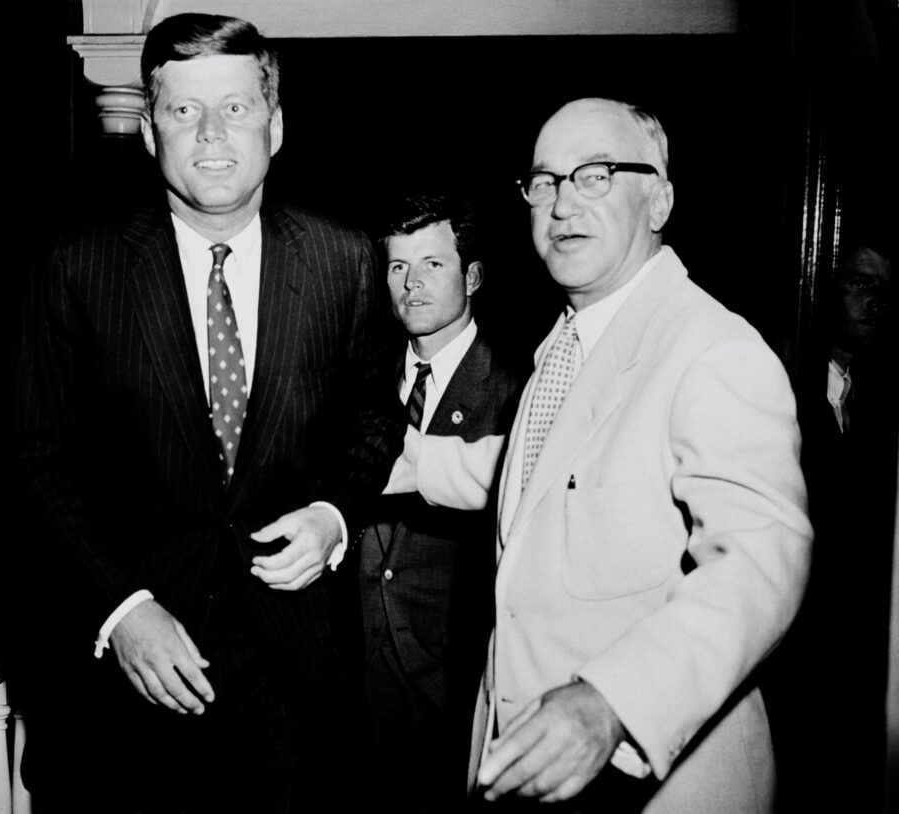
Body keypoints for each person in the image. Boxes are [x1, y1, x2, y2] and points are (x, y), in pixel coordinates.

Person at [6, 13, 405, 813]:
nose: (213, 134)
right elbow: (33, 462)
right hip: (132, 698)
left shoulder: (342, 259)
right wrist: (122, 609)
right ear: (151, 132)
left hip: (299, 686)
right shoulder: (79, 268)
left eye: (236, 107)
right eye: (184, 111)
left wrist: (333, 514)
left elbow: (375, 418)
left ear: (276, 125)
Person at [469, 97, 813, 812]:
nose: (562, 204)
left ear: (658, 198)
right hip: (538, 771)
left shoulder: (710, 348)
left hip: (659, 783)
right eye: (545, 181)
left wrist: (613, 702)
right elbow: (544, 487)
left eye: (594, 175)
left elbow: (761, 562)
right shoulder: (565, 349)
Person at [357, 195, 528, 812]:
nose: (412, 284)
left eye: (432, 264)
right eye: (398, 267)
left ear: (473, 277)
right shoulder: (360, 380)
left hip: (452, 690)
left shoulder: (516, 394)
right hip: (358, 685)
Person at [770, 238, 896, 812]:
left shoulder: (874, 395)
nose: (876, 302)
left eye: (885, 289)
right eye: (860, 284)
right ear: (823, 290)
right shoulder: (780, 384)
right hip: (789, 654)